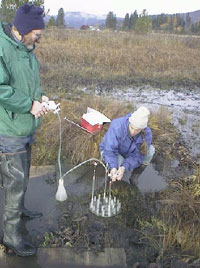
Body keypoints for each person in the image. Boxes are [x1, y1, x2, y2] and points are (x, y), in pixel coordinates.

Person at [0, 4, 49, 256]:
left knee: (24, 172)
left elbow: (30, 82)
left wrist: (41, 97)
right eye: (38, 34)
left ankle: (19, 209)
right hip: (9, 129)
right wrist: (30, 105)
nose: (40, 38)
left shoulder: (28, 49)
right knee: (14, 182)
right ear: (23, 30)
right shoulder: (2, 48)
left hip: (27, 126)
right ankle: (10, 237)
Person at [99, 106, 155, 182]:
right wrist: (113, 167)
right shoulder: (117, 126)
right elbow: (109, 150)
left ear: (142, 129)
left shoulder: (147, 134)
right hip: (111, 152)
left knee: (150, 151)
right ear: (130, 122)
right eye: (132, 127)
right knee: (117, 167)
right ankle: (112, 177)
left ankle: (134, 177)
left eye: (137, 130)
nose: (133, 132)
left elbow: (138, 156)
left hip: (129, 153)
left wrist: (124, 167)